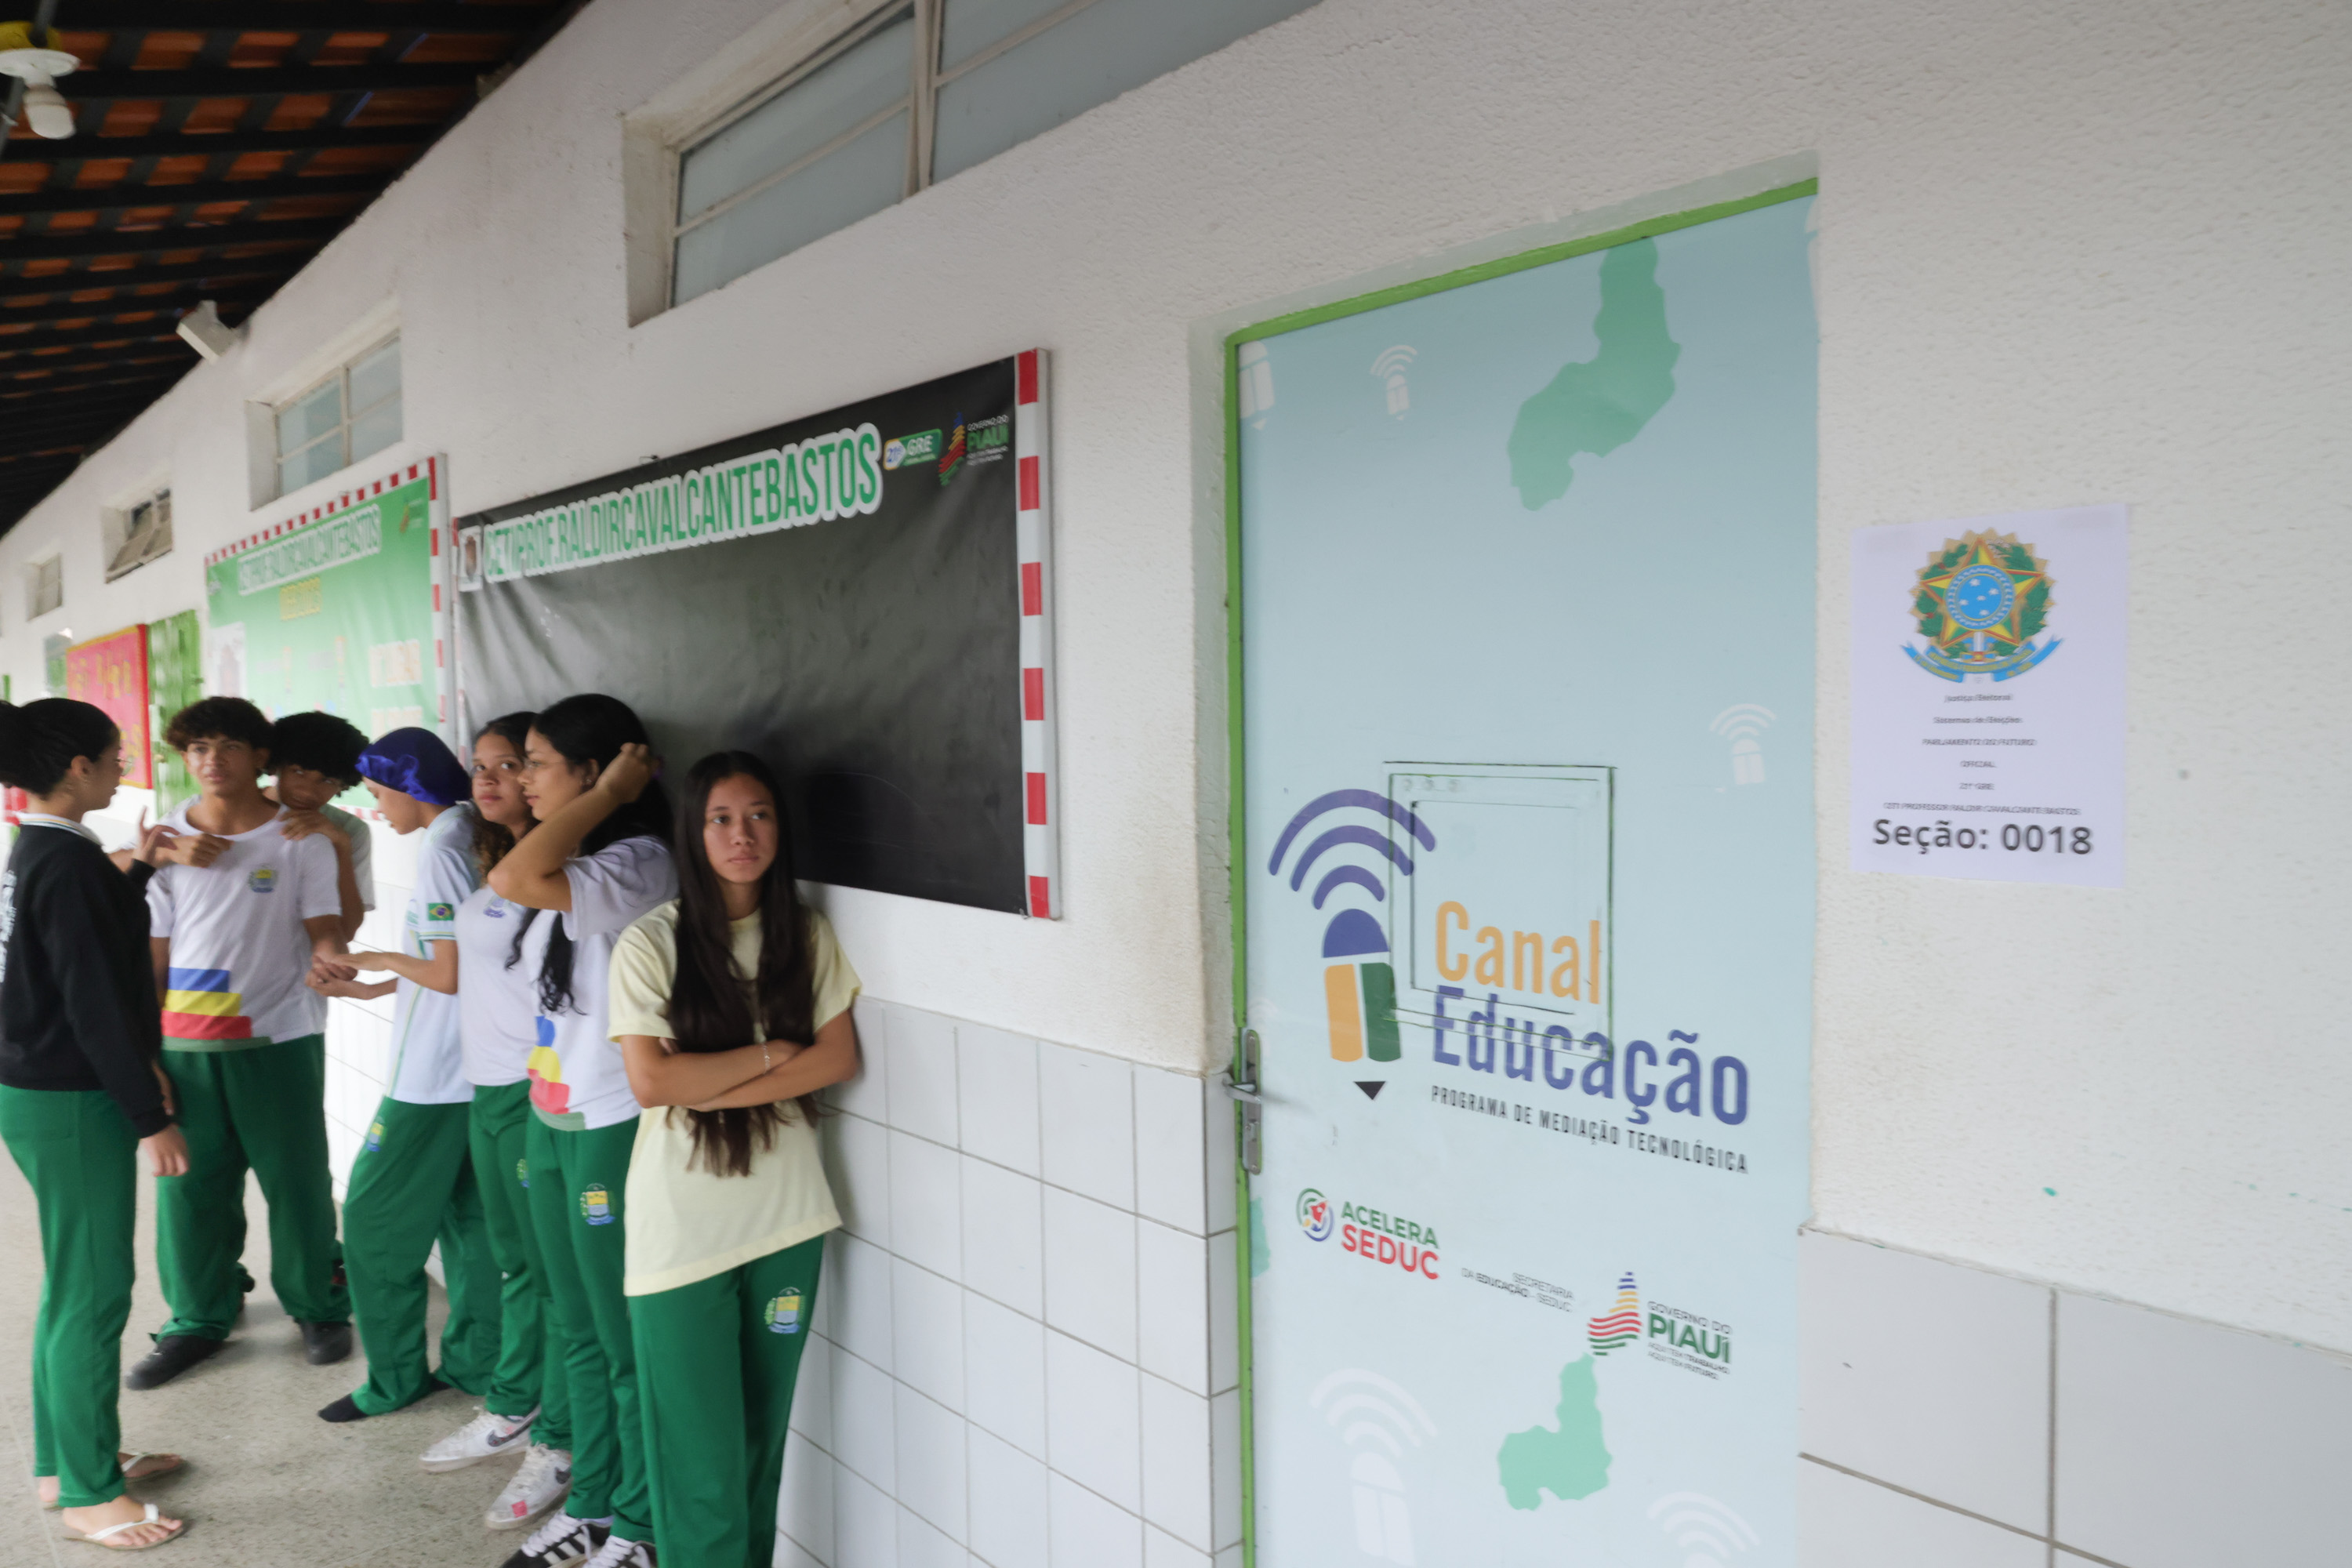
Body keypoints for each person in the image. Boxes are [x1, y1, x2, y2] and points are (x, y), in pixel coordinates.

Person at [612, 752, 860, 1568]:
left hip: (788, 1220)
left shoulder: (805, 934)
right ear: (693, 831)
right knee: (700, 1465)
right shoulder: (651, 942)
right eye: (720, 818)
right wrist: (772, 1054)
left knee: (758, 1449)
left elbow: (838, 1059)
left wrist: (713, 1081)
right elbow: (654, 1083)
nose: (741, 834)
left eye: (758, 815)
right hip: (682, 1231)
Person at [486, 697, 676, 1568]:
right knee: (579, 1327)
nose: (522, 778)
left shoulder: (639, 861)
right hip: (554, 1110)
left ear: (596, 774)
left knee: (622, 1338)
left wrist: (607, 798)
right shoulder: (575, 857)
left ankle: (639, 1522)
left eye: (537, 762)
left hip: (611, 1120)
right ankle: (594, 1502)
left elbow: (514, 878)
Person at [0, 699, 192, 1550]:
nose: (124, 766)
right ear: (78, 765)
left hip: (39, 1088)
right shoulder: (67, 862)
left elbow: (79, 946)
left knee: (72, 1283)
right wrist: (148, 1115)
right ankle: (87, 1494)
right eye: (115, 754)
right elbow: (95, 1001)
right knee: (94, 1290)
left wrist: (139, 869)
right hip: (72, 1098)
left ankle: (64, 1463)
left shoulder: (43, 847)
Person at [130, 698, 354, 1390]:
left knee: (297, 1182)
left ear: (261, 757)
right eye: (198, 748)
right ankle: (199, 1316)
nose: (212, 760)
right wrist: (146, 1053)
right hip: (187, 1045)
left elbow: (325, 925)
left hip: (278, 1035)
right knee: (190, 1189)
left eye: (228, 745)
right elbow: (153, 958)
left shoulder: (300, 838)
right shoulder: (168, 839)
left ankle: (317, 1305)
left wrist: (331, 955)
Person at [307, 728, 503, 1423]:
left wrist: (379, 961)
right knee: (470, 1225)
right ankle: (479, 1364)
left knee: (371, 1222)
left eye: (378, 790)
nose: (375, 804)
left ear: (410, 784)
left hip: (434, 1079)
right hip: (471, 1070)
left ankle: (393, 1381)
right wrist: (376, 987)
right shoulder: (466, 835)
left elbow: (447, 971)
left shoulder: (446, 847)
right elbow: (464, 959)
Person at [416, 711, 577, 1537]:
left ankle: (555, 1434)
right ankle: (518, 1403)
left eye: (511, 764)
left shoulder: (562, 872)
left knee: (550, 1274)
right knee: (517, 1261)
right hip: (488, 1089)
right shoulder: (492, 861)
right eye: (479, 765)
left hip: (528, 1088)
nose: (487, 779)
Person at [263, 710, 375, 944]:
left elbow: (347, 931)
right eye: (299, 772)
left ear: (343, 785)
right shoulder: (240, 812)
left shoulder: (350, 830)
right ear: (277, 766)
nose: (308, 791)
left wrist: (341, 845)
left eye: (327, 781)